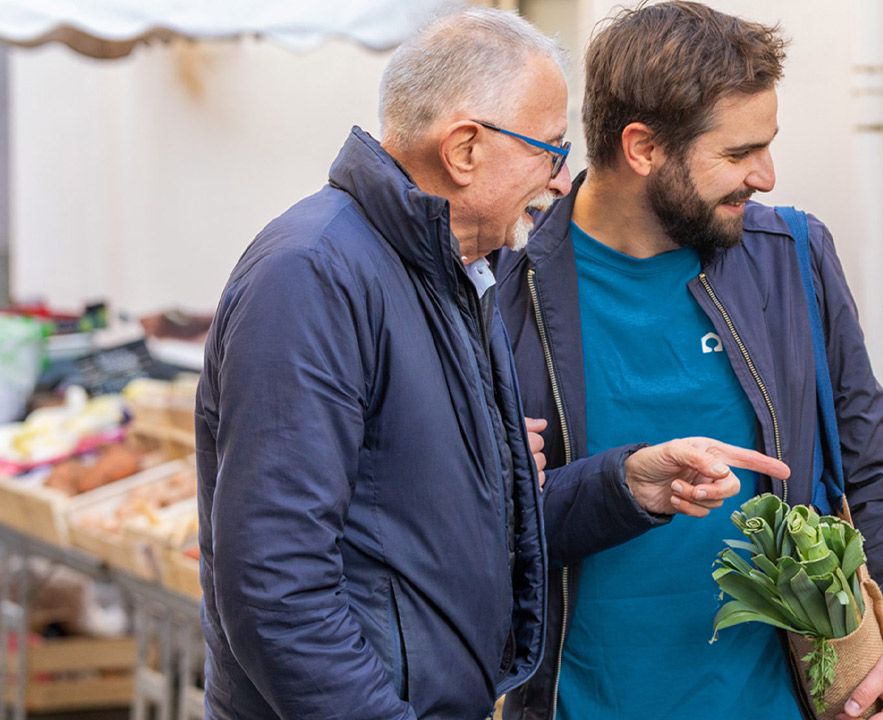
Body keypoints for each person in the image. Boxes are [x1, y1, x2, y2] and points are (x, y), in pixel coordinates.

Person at [195, 8, 786, 719]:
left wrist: (625, 486)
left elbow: (428, 525)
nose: (561, 181)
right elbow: (276, 587)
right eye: (549, 149)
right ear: (466, 149)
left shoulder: (455, 272)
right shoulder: (313, 274)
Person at [497, 3, 883, 719]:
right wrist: (620, 487)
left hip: (783, 701)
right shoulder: (503, 286)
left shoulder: (794, 256)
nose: (766, 176)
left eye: (766, 146)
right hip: (577, 703)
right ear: (642, 148)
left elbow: (869, 463)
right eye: (738, 154)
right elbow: (490, 524)